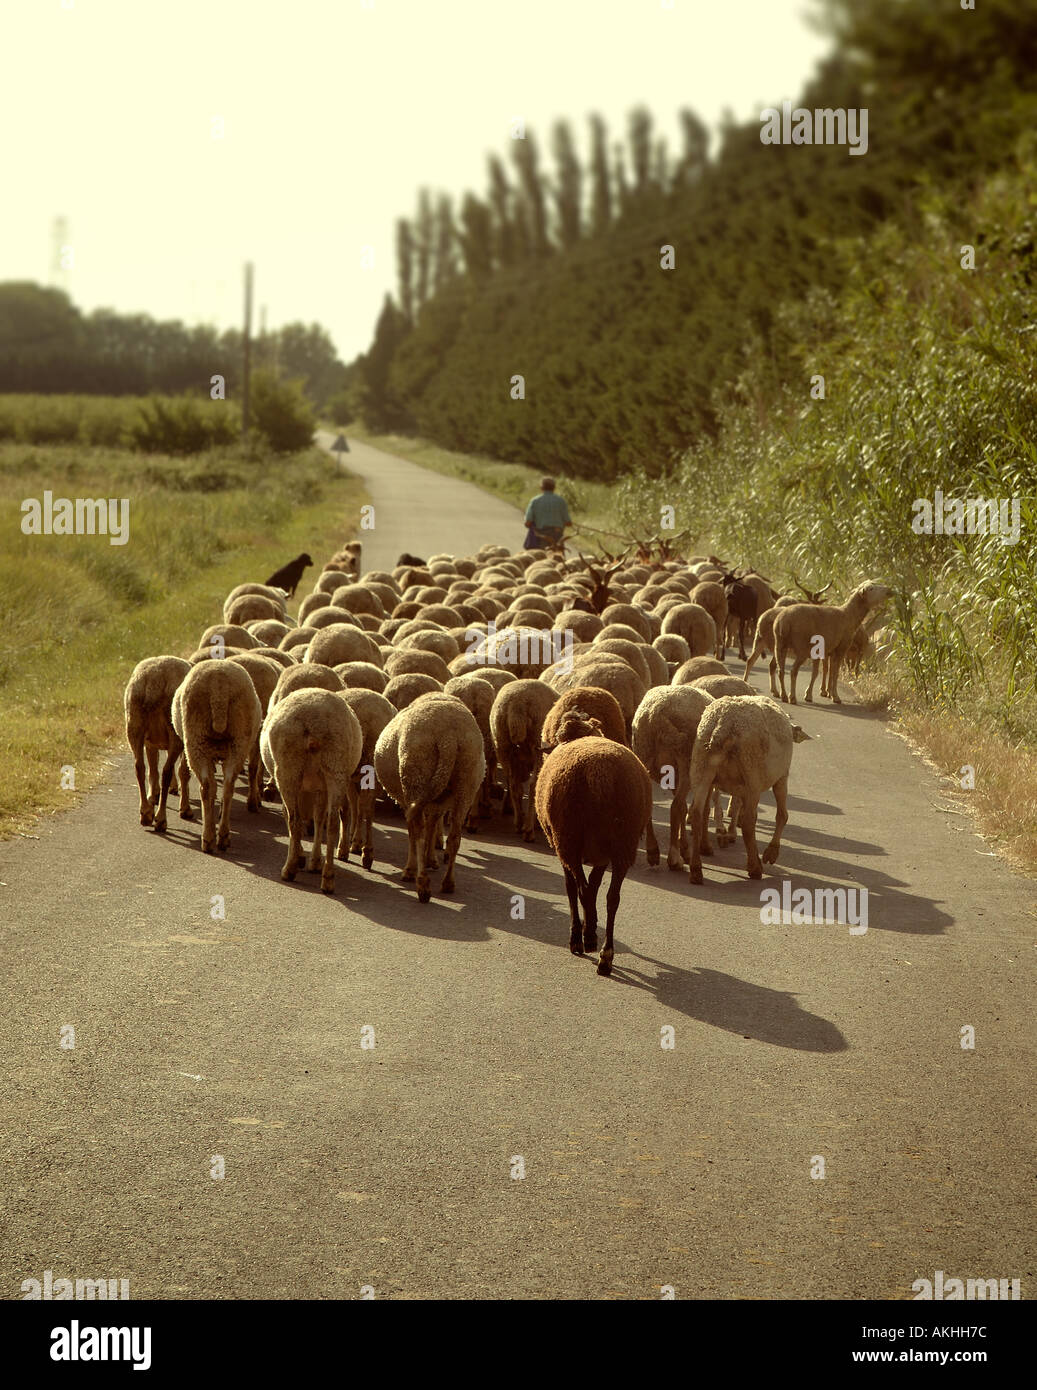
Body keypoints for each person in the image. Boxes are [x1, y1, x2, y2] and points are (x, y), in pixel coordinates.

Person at [523, 476, 572, 551]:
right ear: (554, 488)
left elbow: (527, 523)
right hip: (557, 534)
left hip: (541, 535)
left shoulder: (535, 501)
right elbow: (568, 522)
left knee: (540, 558)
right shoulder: (561, 501)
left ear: (541, 488)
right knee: (558, 558)